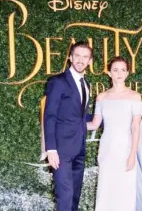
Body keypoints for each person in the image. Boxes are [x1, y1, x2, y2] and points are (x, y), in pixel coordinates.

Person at [87, 57, 142, 211]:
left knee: (125, 191)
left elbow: (135, 127)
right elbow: (94, 124)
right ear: (109, 73)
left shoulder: (135, 97)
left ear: (127, 73)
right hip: (107, 150)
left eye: (123, 70)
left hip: (126, 150)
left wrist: (133, 154)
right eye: (115, 70)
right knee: (105, 190)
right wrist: (69, 124)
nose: (119, 73)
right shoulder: (101, 97)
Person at [43, 41, 93, 211]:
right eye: (77, 55)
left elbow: (80, 116)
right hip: (61, 150)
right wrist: (51, 149)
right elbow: (50, 115)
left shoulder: (86, 85)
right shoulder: (58, 81)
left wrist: (110, 117)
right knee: (64, 197)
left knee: (74, 197)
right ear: (70, 57)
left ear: (90, 61)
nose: (80, 60)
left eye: (85, 57)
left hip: (79, 148)